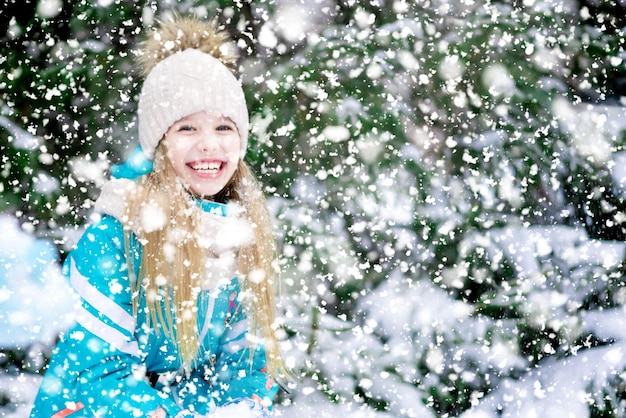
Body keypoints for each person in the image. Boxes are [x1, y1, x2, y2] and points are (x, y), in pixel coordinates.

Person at [31, 14, 285, 418]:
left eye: (224, 127)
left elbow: (248, 362)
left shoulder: (240, 230)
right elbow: (97, 377)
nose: (209, 145)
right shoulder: (118, 232)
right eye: (186, 128)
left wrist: (242, 408)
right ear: (160, 143)